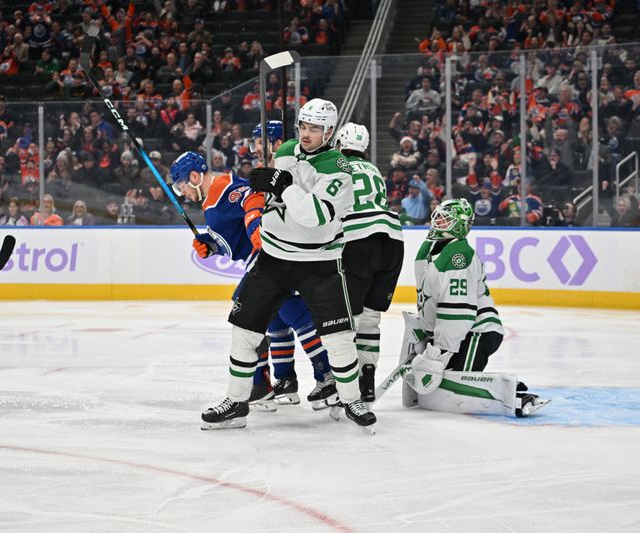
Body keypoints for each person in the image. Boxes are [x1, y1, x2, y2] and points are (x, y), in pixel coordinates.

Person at [195, 98, 376, 431]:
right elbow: (270, 199)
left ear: (330, 131)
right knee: (244, 329)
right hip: (274, 258)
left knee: (337, 338)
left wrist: (285, 185)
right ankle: (237, 401)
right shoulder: (286, 151)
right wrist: (262, 191)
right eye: (303, 127)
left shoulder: (339, 168)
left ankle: (351, 400)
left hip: (319, 261)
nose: (307, 134)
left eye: (315, 129)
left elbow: (315, 215)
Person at [403, 199, 546, 417]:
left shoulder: (459, 256)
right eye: (438, 216)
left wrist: (439, 351)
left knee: (449, 387)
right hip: (461, 334)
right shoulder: (433, 250)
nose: (437, 221)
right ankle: (511, 390)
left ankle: (515, 397)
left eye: (445, 218)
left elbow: (457, 312)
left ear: (458, 225)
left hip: (475, 332)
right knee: (441, 385)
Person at [245, 120, 337, 411]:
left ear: (276, 143)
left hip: (297, 255)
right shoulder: (268, 172)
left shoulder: (300, 170)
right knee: (276, 321)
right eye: (256, 142)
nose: (256, 147)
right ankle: (285, 379)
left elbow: (305, 209)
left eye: (261, 141)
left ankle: (327, 375)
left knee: (294, 314)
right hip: (272, 255)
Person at [335, 122, 405, 402]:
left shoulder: (336, 166)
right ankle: (367, 377)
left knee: (347, 318)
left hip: (357, 238)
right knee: (371, 318)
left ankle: (345, 384)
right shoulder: (374, 170)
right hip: (391, 239)